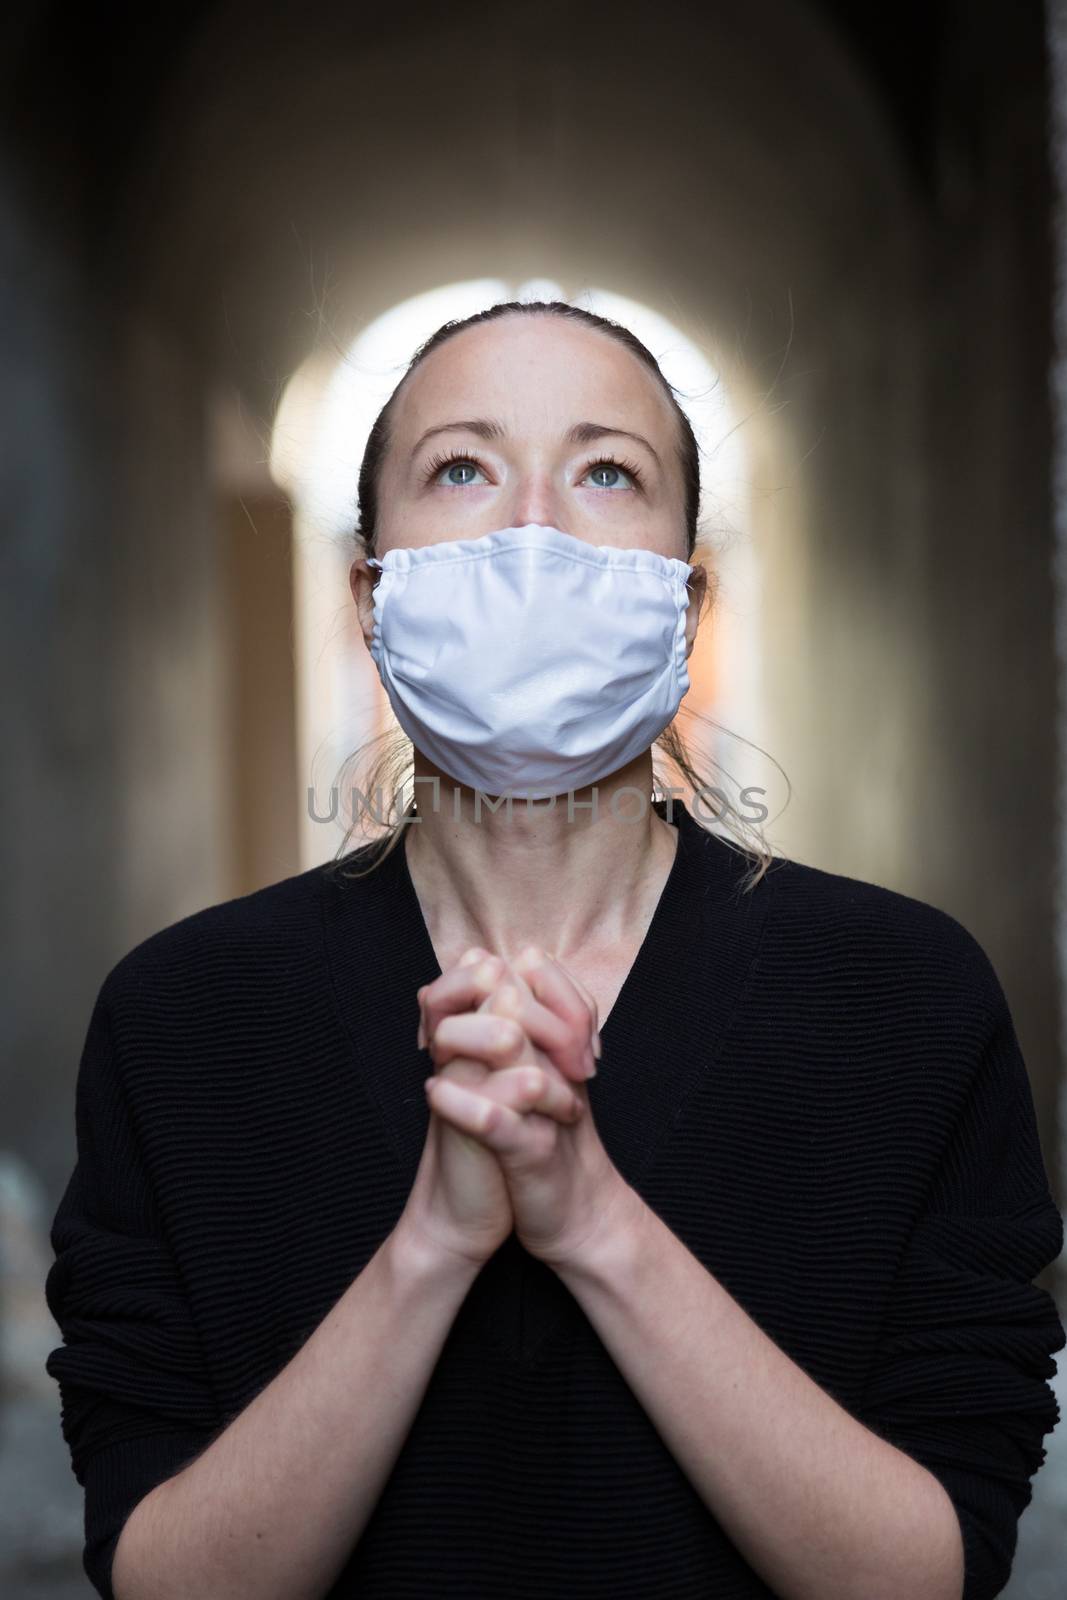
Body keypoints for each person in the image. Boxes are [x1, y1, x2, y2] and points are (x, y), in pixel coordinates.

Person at [45, 299, 1065, 1600]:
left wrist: (587, 1218)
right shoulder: (182, 1020)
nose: (532, 525)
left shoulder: (906, 1001)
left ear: (683, 599)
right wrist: (433, 1244)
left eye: (605, 471)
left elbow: (925, 1574)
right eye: (462, 467)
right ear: (372, 594)